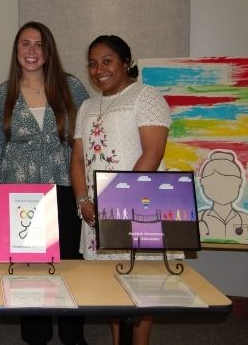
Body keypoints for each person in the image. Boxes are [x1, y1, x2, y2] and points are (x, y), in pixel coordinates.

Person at [70, 35, 172, 345]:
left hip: (137, 211)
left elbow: (151, 155)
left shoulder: (146, 97)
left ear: (125, 62)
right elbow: (77, 159)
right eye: (92, 63)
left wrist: (113, 206)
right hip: (95, 215)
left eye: (107, 61)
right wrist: (83, 201)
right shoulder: (87, 105)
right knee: (112, 293)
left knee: (141, 295)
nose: (98, 69)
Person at [0, 22, 89, 345]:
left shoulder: (71, 88)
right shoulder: (1, 94)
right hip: (20, 195)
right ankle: (35, 336)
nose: (32, 51)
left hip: (63, 187)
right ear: (16, 50)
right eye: (25, 44)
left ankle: (73, 335)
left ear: (48, 51)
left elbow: (84, 141)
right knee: (29, 272)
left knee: (69, 267)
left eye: (39, 45)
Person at [198, 150, 248, 239]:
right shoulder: (199, 218)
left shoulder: (246, 219)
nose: (223, 188)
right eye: (216, 182)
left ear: (239, 184)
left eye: (230, 182)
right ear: (203, 184)